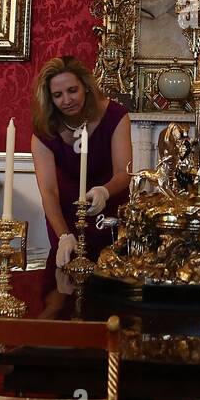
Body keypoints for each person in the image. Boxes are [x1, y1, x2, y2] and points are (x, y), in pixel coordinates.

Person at [30, 57, 132, 277]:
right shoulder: (44, 130)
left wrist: (104, 191)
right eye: (58, 95)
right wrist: (64, 236)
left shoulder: (115, 115)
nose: (67, 100)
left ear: (86, 87)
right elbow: (48, 191)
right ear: (50, 98)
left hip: (110, 215)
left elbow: (124, 173)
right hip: (64, 218)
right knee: (66, 285)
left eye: (72, 90)